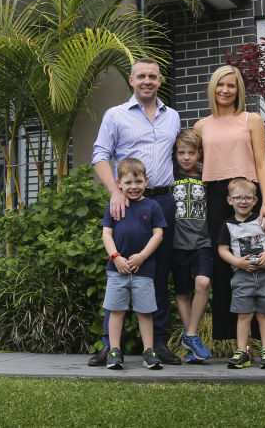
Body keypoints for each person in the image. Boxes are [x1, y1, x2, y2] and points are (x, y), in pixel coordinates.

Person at [194, 64, 265, 365]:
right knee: (228, 269)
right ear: (211, 89)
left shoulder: (251, 119)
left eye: (232, 85)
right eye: (220, 85)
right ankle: (244, 345)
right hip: (216, 198)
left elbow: (262, 163)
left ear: (239, 90)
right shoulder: (201, 126)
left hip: (249, 195)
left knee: (264, 268)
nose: (225, 90)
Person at [88, 57, 182, 366]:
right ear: (131, 80)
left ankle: (156, 343)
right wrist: (115, 191)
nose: (147, 81)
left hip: (163, 202)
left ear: (159, 80)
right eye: (141, 76)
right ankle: (109, 345)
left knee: (159, 270)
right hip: (126, 202)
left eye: (152, 76)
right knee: (117, 270)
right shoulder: (115, 115)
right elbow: (100, 156)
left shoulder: (173, 117)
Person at [101, 157, 167, 370]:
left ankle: (149, 352)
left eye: (138, 182)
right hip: (116, 270)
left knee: (145, 312)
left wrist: (142, 256)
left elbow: (158, 235)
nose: (134, 187)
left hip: (143, 270)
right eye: (128, 183)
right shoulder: (114, 206)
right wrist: (115, 257)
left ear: (146, 181)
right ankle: (114, 351)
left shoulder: (153, 206)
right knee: (116, 310)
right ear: (118, 183)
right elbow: (106, 234)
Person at [218, 177, 265, 369]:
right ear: (230, 200)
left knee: (264, 315)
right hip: (242, 277)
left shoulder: (262, 221)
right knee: (243, 315)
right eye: (238, 198)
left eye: (248, 198)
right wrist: (238, 263)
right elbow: (222, 250)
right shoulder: (227, 225)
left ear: (255, 200)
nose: (243, 201)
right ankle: (242, 351)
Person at [170, 129, 212, 363]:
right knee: (182, 293)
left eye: (191, 153)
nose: (186, 157)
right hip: (177, 245)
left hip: (203, 242)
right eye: (181, 152)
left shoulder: (207, 177)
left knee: (203, 283)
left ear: (199, 154)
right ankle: (193, 344)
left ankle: (191, 334)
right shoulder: (170, 176)